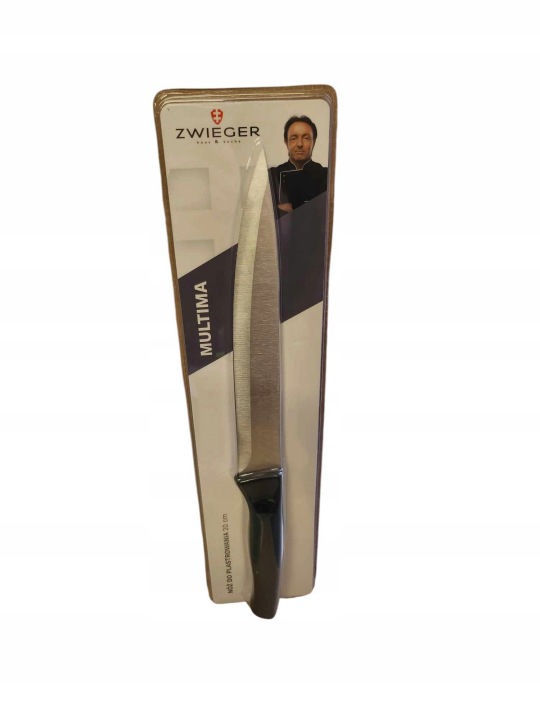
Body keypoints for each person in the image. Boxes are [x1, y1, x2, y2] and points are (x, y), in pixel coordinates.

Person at [270, 116, 328, 215]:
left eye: (306, 138)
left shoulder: (326, 175)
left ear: (313, 142)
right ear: (286, 143)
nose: (300, 144)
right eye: (294, 138)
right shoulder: (272, 175)